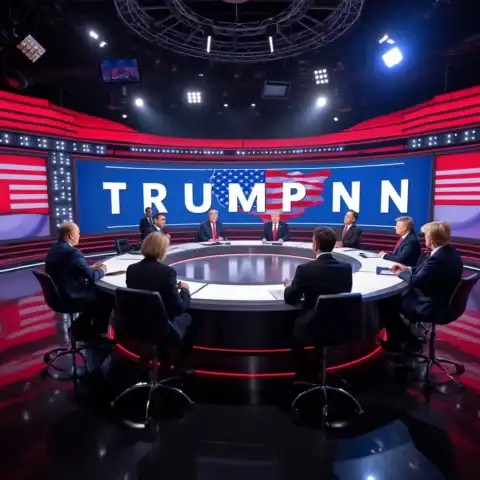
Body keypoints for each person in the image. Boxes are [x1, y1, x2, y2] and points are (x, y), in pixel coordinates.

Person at [380, 221, 463, 352]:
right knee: (394, 300)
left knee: (388, 303)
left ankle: (407, 343)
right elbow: (426, 271)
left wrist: (399, 273)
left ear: (432, 239)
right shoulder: (450, 252)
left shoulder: (438, 258)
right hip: (444, 300)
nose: (424, 238)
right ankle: (404, 340)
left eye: (426, 235)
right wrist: (407, 268)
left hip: (431, 305)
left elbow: (415, 281)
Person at [284, 227, 353, 375]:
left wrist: (290, 286)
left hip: (312, 325)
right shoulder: (346, 268)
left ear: (315, 245)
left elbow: (291, 298)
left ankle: (302, 372)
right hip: (340, 324)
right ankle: (320, 367)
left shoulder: (305, 269)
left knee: (292, 327)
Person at [44, 222, 113, 341]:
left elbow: (66, 269)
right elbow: (93, 277)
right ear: (71, 235)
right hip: (71, 296)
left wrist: (89, 268)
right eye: (78, 233)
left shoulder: (54, 249)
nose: (79, 236)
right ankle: (95, 334)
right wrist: (102, 270)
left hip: (57, 296)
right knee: (106, 296)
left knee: (96, 293)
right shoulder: (73, 253)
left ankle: (79, 328)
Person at [126, 232, 193, 345]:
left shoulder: (131, 269)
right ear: (163, 250)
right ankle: (182, 355)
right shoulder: (167, 272)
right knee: (189, 318)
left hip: (135, 323)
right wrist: (185, 291)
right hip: (161, 326)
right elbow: (179, 308)